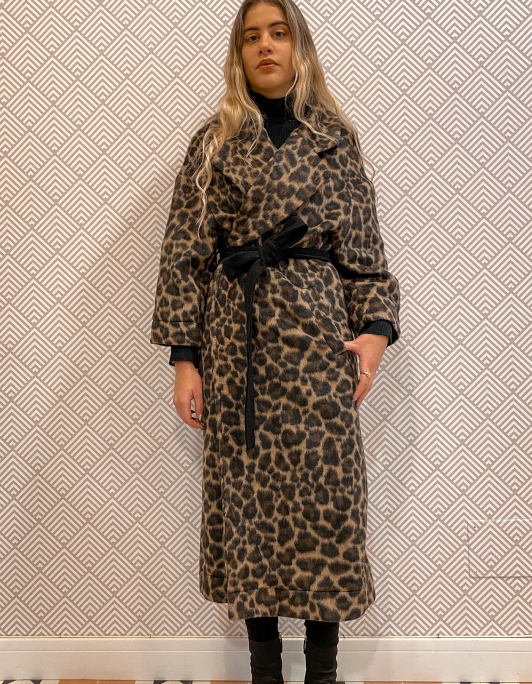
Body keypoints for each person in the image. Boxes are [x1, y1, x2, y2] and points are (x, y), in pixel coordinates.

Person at [150, 1, 400, 682]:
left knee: (326, 500)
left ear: (299, 47)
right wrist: (185, 360)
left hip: (319, 345)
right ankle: (264, 669)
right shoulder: (213, 142)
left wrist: (374, 334)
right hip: (239, 346)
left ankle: (322, 672)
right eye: (251, 36)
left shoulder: (334, 141)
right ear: (238, 53)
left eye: (279, 33)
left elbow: (365, 257)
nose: (266, 46)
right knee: (248, 501)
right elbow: (184, 257)